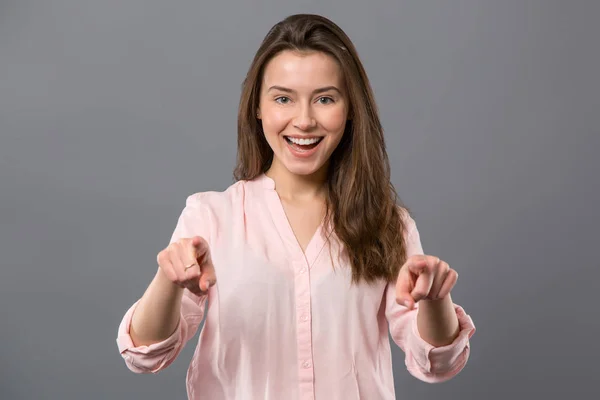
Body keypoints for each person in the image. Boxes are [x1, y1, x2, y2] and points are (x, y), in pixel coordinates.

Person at [116, 13, 476, 400]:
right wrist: (168, 280)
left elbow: (437, 363)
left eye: (324, 99)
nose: (303, 121)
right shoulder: (211, 217)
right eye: (283, 98)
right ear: (258, 107)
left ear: (351, 108)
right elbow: (145, 354)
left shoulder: (389, 223)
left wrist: (436, 298)